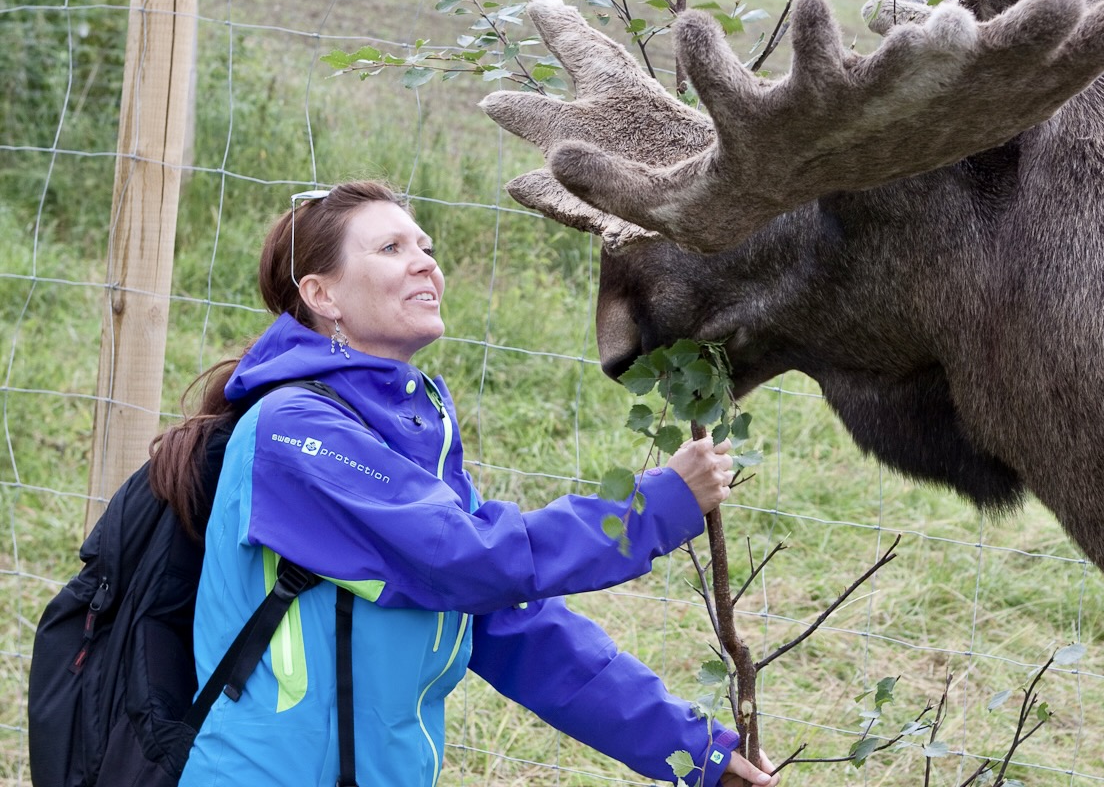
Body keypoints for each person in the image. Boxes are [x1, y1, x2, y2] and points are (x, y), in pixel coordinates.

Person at [148, 180, 779, 787]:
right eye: (391, 248)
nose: (425, 263)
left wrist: (695, 752)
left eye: (425, 247)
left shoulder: (407, 433)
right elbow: (468, 557)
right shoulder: (293, 429)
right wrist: (653, 507)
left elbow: (518, 629)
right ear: (322, 294)